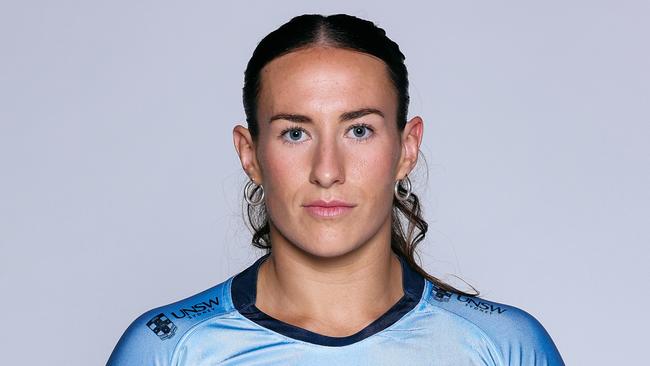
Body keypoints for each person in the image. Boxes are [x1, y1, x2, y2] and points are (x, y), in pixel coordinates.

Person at [106, 13, 564, 365]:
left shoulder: (505, 348)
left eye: (359, 130)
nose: (327, 171)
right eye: (295, 133)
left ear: (407, 149)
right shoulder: (168, 350)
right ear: (250, 154)